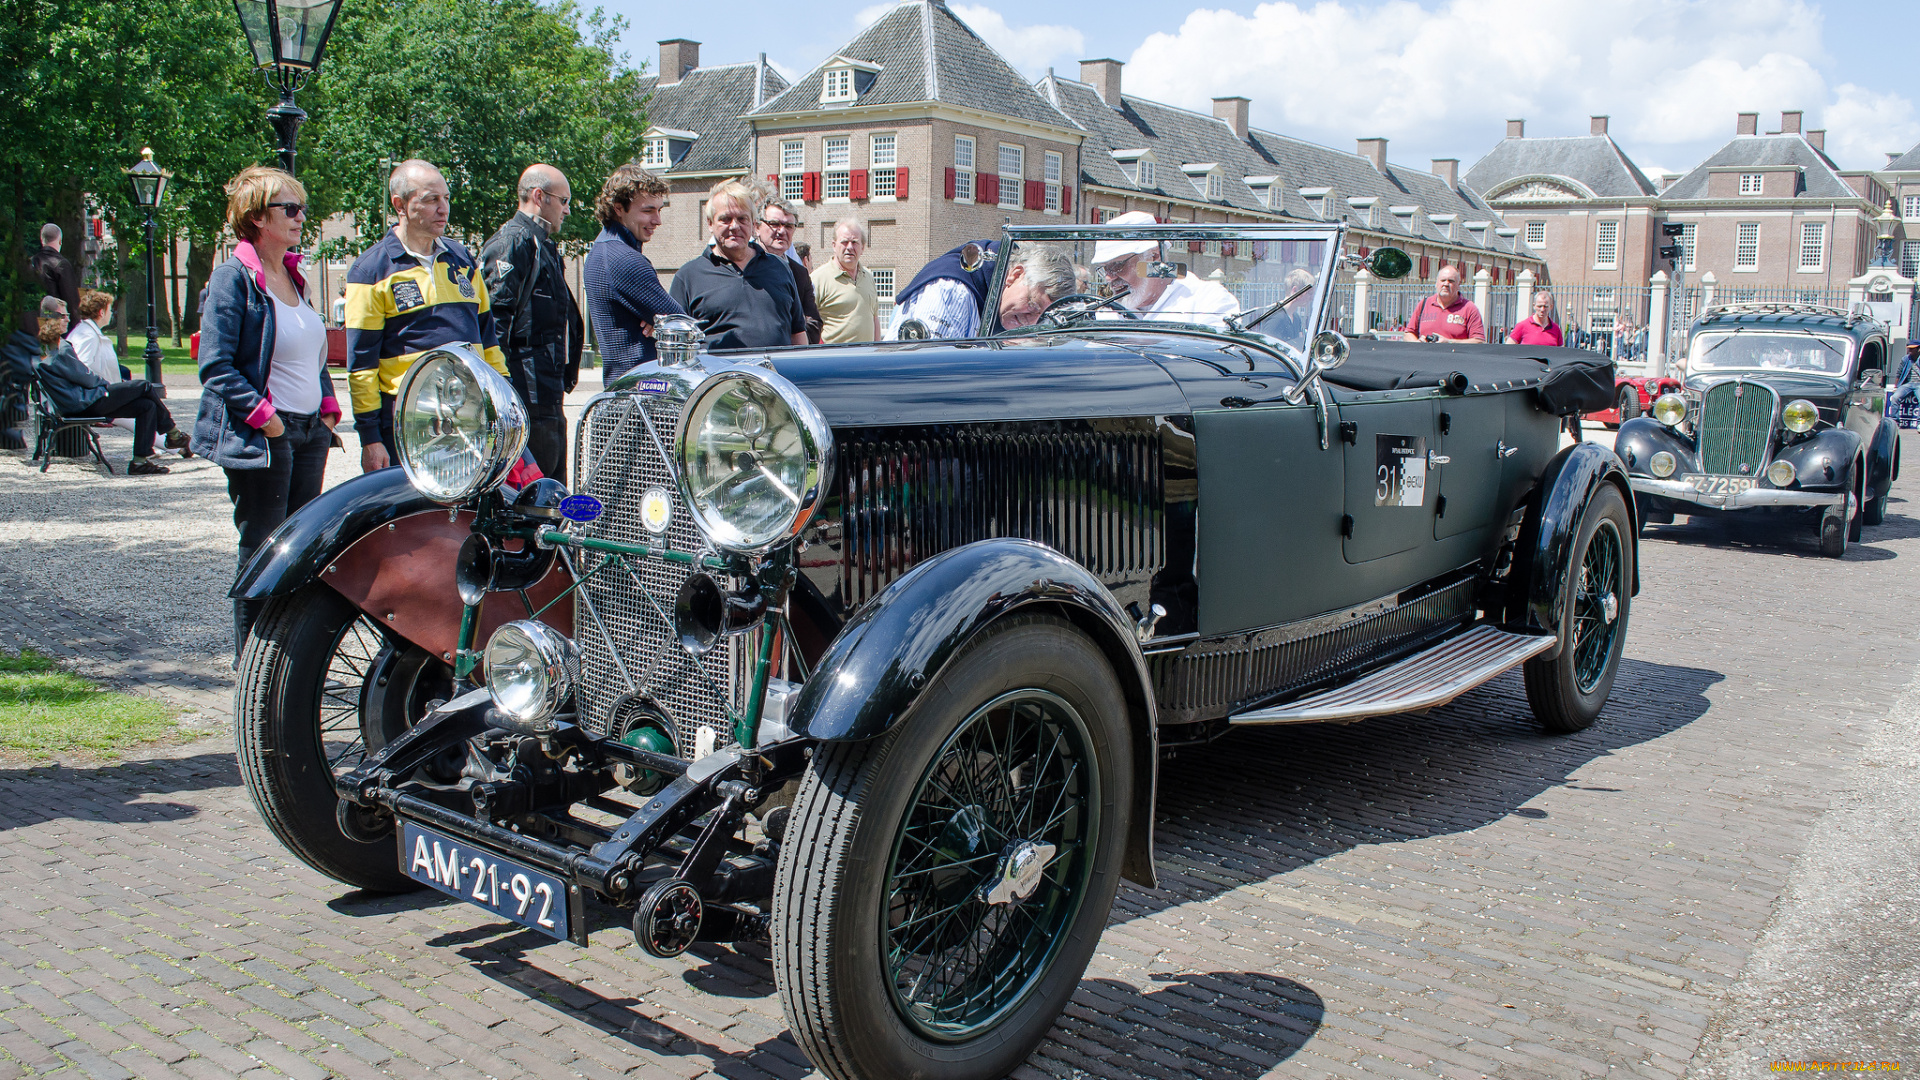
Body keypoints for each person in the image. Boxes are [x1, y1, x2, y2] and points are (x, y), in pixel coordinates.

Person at [190, 165, 343, 659]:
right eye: (290, 209)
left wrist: (325, 408)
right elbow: (216, 367)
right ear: (257, 217)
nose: (301, 218)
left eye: (301, 208)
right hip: (267, 437)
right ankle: (251, 668)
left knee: (298, 550)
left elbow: (308, 352)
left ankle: (283, 662)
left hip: (307, 433)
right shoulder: (233, 278)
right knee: (263, 551)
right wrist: (268, 419)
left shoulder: (295, 277)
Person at [344, 159, 512, 473]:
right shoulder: (370, 270)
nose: (443, 208)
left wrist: (504, 394)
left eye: (446, 198)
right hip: (408, 423)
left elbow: (488, 339)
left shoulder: (462, 259)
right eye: (430, 199)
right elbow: (361, 365)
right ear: (400, 205)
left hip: (469, 416)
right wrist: (370, 437)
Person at [481, 164, 585, 480]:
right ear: (539, 197)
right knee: (534, 489)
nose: (567, 210)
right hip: (527, 393)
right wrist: (502, 394)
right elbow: (495, 320)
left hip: (548, 391)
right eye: (563, 201)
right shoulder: (514, 242)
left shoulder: (542, 243)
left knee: (553, 485)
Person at [34, 312, 186, 475]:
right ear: (56, 327)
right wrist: (106, 384)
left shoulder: (50, 353)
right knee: (145, 386)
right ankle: (173, 433)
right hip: (87, 403)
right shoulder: (62, 350)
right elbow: (87, 379)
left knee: (146, 405)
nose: (68, 319)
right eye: (63, 318)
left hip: (78, 403)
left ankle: (140, 462)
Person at [669, 180, 806, 351]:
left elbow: (798, 334)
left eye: (742, 219)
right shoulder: (688, 277)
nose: (734, 226)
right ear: (710, 223)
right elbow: (676, 344)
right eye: (725, 219)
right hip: (719, 376)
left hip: (773, 375)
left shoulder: (780, 268)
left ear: (753, 223)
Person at [583, 164, 685, 383]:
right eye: (648, 211)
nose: (657, 220)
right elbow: (683, 327)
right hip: (640, 396)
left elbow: (668, 318)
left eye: (659, 210)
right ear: (619, 208)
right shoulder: (624, 259)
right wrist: (664, 322)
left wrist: (657, 320)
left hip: (621, 391)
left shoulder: (600, 250)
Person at [890, 240, 1075, 339]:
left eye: (1042, 317)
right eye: (1033, 305)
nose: (1032, 321)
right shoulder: (953, 293)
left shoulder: (996, 304)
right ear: (1015, 275)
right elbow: (929, 373)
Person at [1088, 212, 1240, 328]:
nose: (1109, 278)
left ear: (1154, 257)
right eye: (1105, 269)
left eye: (1117, 266)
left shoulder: (1208, 301)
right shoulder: (1107, 313)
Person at [758, 199, 822, 343]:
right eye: (774, 224)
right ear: (757, 227)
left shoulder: (800, 273)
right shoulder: (745, 266)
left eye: (788, 226)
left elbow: (814, 324)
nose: (781, 231)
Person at [812, 217, 880, 343]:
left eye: (855, 242)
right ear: (834, 245)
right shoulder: (818, 279)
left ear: (863, 247)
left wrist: (877, 351)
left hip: (867, 358)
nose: (849, 247)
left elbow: (874, 318)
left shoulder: (869, 277)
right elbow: (805, 323)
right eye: (844, 242)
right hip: (835, 360)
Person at [1401, 265, 1484, 343]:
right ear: (1436, 284)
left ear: (1458, 285)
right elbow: (1408, 333)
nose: (1446, 284)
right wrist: (1417, 343)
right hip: (1426, 357)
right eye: (1443, 280)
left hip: (1454, 357)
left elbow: (1479, 340)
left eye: (1451, 281)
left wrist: (1450, 342)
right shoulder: (1423, 304)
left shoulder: (1469, 308)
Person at [32, 224, 81, 335]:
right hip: (54, 326)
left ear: (42, 240)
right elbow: (72, 301)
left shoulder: (31, 262)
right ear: (60, 241)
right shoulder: (61, 264)